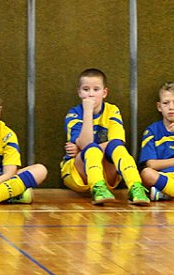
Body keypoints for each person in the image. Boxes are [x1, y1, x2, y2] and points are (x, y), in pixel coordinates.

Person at [61, 67, 150, 206]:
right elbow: (86, 144)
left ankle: (136, 187)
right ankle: (98, 188)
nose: (91, 94)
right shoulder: (74, 114)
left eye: (96, 89)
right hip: (77, 173)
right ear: (79, 92)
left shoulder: (112, 110)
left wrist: (81, 148)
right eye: (86, 89)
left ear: (104, 92)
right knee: (91, 149)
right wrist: (88, 112)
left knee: (117, 147)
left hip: (107, 171)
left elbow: (116, 142)